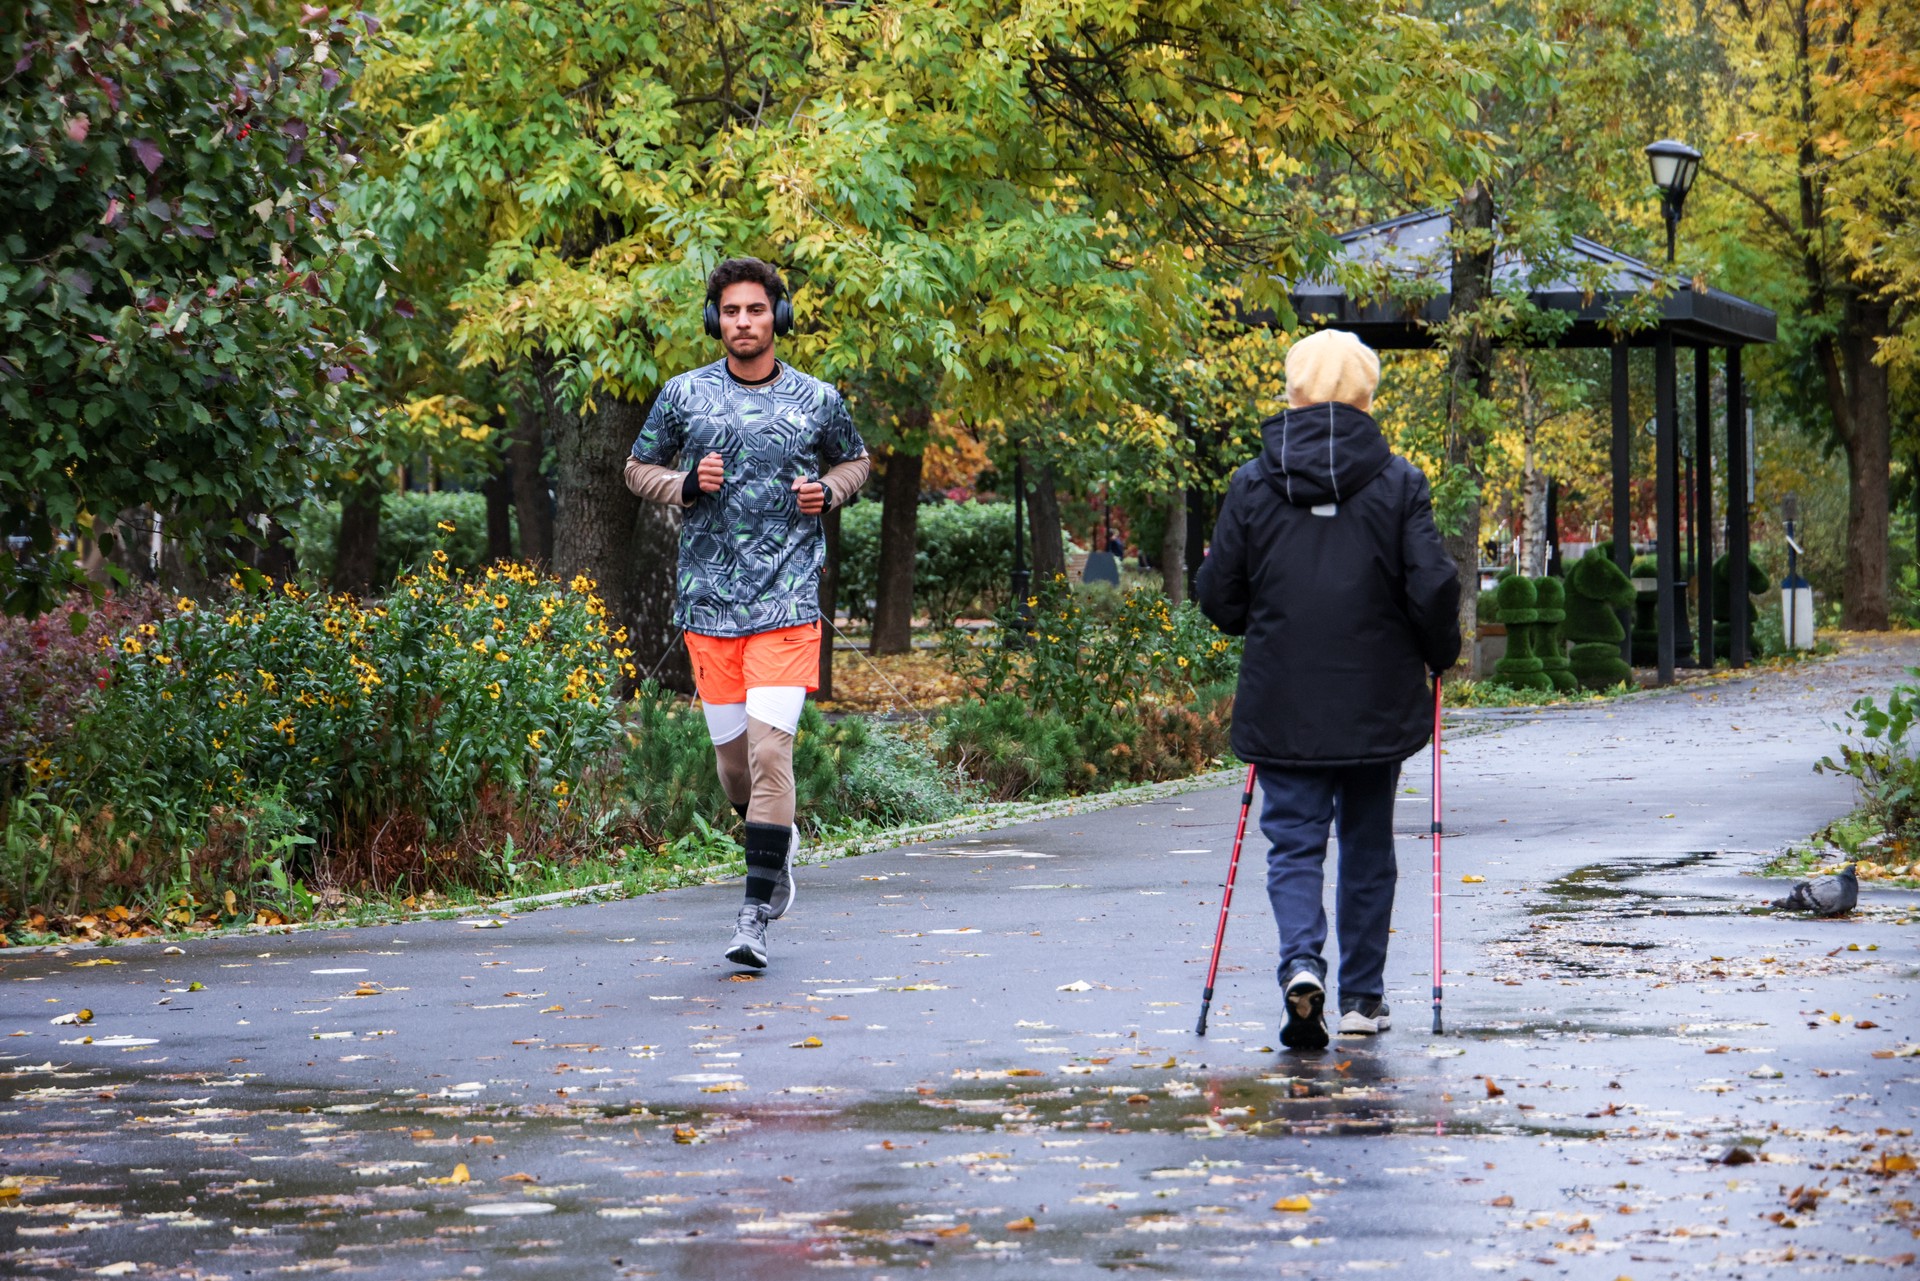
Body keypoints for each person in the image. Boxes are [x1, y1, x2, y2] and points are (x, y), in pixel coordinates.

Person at [1195, 328, 1460, 1050]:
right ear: (1367, 394)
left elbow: (1220, 598)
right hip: (1377, 701)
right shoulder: (1399, 481)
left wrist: (1253, 606)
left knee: (1293, 843)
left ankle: (1301, 962)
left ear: (1294, 390)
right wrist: (1440, 653)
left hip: (1284, 698)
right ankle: (1362, 999)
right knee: (1369, 844)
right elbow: (1432, 585)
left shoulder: (1253, 483)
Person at [625, 257, 870, 969]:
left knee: (771, 752)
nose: (742, 322)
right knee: (735, 766)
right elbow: (637, 468)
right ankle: (775, 838)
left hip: (789, 597)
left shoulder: (818, 398)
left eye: (754, 310)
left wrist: (830, 490)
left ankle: (754, 912)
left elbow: (855, 461)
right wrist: (683, 484)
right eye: (729, 311)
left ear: (777, 316)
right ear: (715, 320)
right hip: (710, 601)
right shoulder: (683, 395)